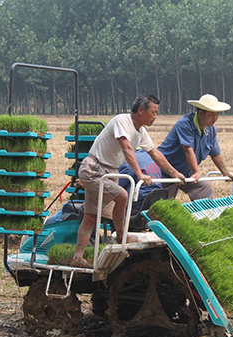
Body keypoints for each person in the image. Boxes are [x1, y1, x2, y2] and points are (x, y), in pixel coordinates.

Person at [70, 94, 185, 268]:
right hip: (93, 169)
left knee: (91, 217)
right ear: (141, 110)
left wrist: (175, 173)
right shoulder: (122, 121)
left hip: (110, 172)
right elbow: (127, 148)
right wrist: (139, 174)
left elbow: (155, 154)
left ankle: (78, 257)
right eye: (153, 112)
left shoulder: (141, 132)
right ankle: (120, 235)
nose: (155, 117)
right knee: (122, 196)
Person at [157, 94, 233, 200]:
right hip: (167, 171)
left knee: (204, 188)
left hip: (187, 171)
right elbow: (188, 150)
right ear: (201, 113)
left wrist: (225, 172)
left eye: (217, 115)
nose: (215, 118)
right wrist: (197, 172)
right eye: (211, 115)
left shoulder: (210, 129)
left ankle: (207, 215)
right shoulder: (185, 124)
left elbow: (215, 153)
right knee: (163, 203)